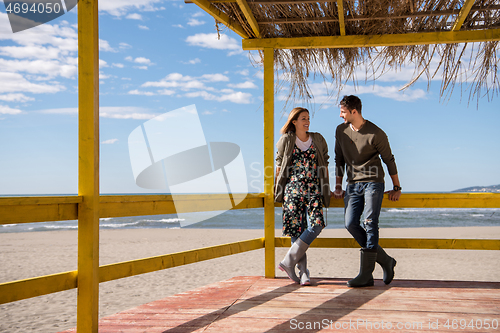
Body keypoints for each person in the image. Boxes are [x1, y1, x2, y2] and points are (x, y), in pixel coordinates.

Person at [333, 95, 401, 288]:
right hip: (352, 184)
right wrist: (338, 186)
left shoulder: (377, 133)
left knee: (370, 222)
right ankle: (386, 260)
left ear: (354, 111)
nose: (340, 115)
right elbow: (339, 159)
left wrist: (397, 187)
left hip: (373, 182)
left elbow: (389, 160)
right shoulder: (341, 130)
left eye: (343, 112)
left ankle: (366, 274)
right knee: (351, 223)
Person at [275, 107, 331, 286]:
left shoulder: (318, 139)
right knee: (296, 230)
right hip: (292, 189)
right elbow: (279, 166)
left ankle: (288, 261)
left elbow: (325, 163)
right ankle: (303, 272)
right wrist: (276, 188)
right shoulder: (286, 140)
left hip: (314, 188)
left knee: (317, 225)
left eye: (308, 118)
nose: (307, 121)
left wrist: (328, 187)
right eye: (303, 118)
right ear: (294, 121)